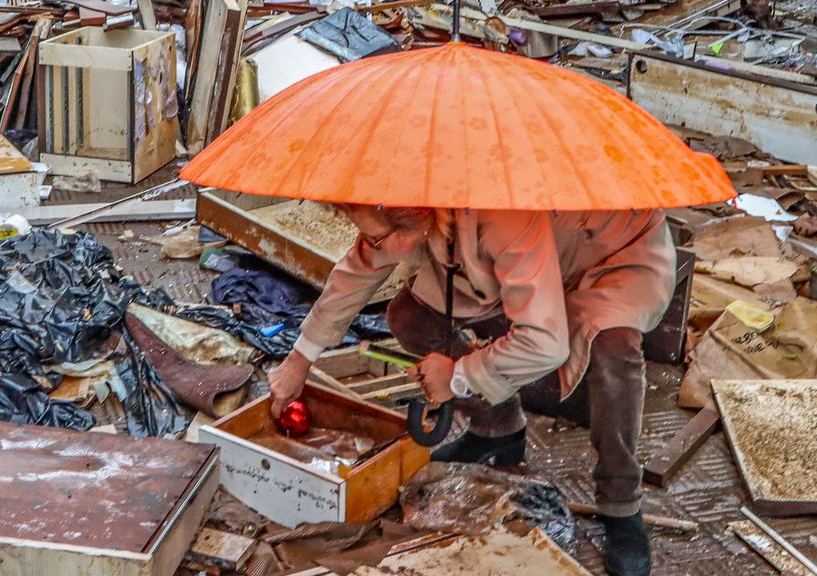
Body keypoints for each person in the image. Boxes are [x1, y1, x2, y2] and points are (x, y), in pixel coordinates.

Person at [268, 205, 675, 576]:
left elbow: (546, 343)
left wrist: (458, 376)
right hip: (534, 244)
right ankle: (498, 431)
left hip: (608, 254)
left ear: (414, 218)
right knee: (410, 314)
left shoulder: (503, 215)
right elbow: (357, 271)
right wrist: (299, 360)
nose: (375, 247)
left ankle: (621, 501)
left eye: (379, 237)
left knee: (611, 347)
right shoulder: (410, 206)